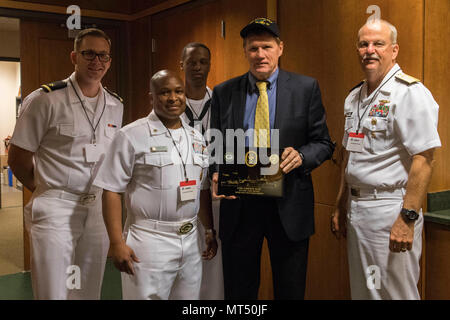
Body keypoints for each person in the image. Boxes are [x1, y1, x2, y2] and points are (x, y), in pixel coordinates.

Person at [210, 18, 334, 299]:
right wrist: (216, 171)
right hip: (239, 205)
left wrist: (301, 155)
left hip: (288, 205)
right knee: (239, 291)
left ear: (280, 48)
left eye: (266, 46)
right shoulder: (224, 92)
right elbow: (215, 143)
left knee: (290, 290)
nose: (260, 54)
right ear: (245, 51)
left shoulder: (306, 88)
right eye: (253, 48)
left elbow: (324, 143)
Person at [8, 28, 123, 299]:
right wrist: (46, 188)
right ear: (74, 56)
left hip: (97, 208)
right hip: (56, 206)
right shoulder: (46, 99)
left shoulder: (116, 105)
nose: (96, 62)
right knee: (54, 291)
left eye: (103, 56)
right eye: (89, 54)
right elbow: (18, 157)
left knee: (87, 289)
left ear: (109, 60)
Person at [332, 19, 441, 300]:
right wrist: (341, 203)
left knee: (395, 293)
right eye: (363, 44)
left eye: (378, 44)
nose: (370, 50)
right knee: (366, 292)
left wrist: (407, 218)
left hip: (390, 210)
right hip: (358, 211)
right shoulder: (354, 97)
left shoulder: (410, 94)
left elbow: (424, 158)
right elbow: (350, 156)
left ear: (394, 50)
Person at [93, 70, 217, 300]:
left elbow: (201, 189)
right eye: (164, 92)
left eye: (178, 91)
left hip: (191, 240)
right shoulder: (131, 135)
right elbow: (111, 190)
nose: (173, 98)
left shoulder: (196, 138)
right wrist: (116, 242)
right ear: (151, 97)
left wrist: (208, 230)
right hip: (149, 242)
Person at [180, 42, 224, 299]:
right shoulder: (169, 103)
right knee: (187, 267)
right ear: (181, 64)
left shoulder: (222, 102)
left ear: (209, 64)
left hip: (216, 197)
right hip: (182, 197)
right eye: (191, 62)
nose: (197, 67)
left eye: (203, 62)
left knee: (215, 266)